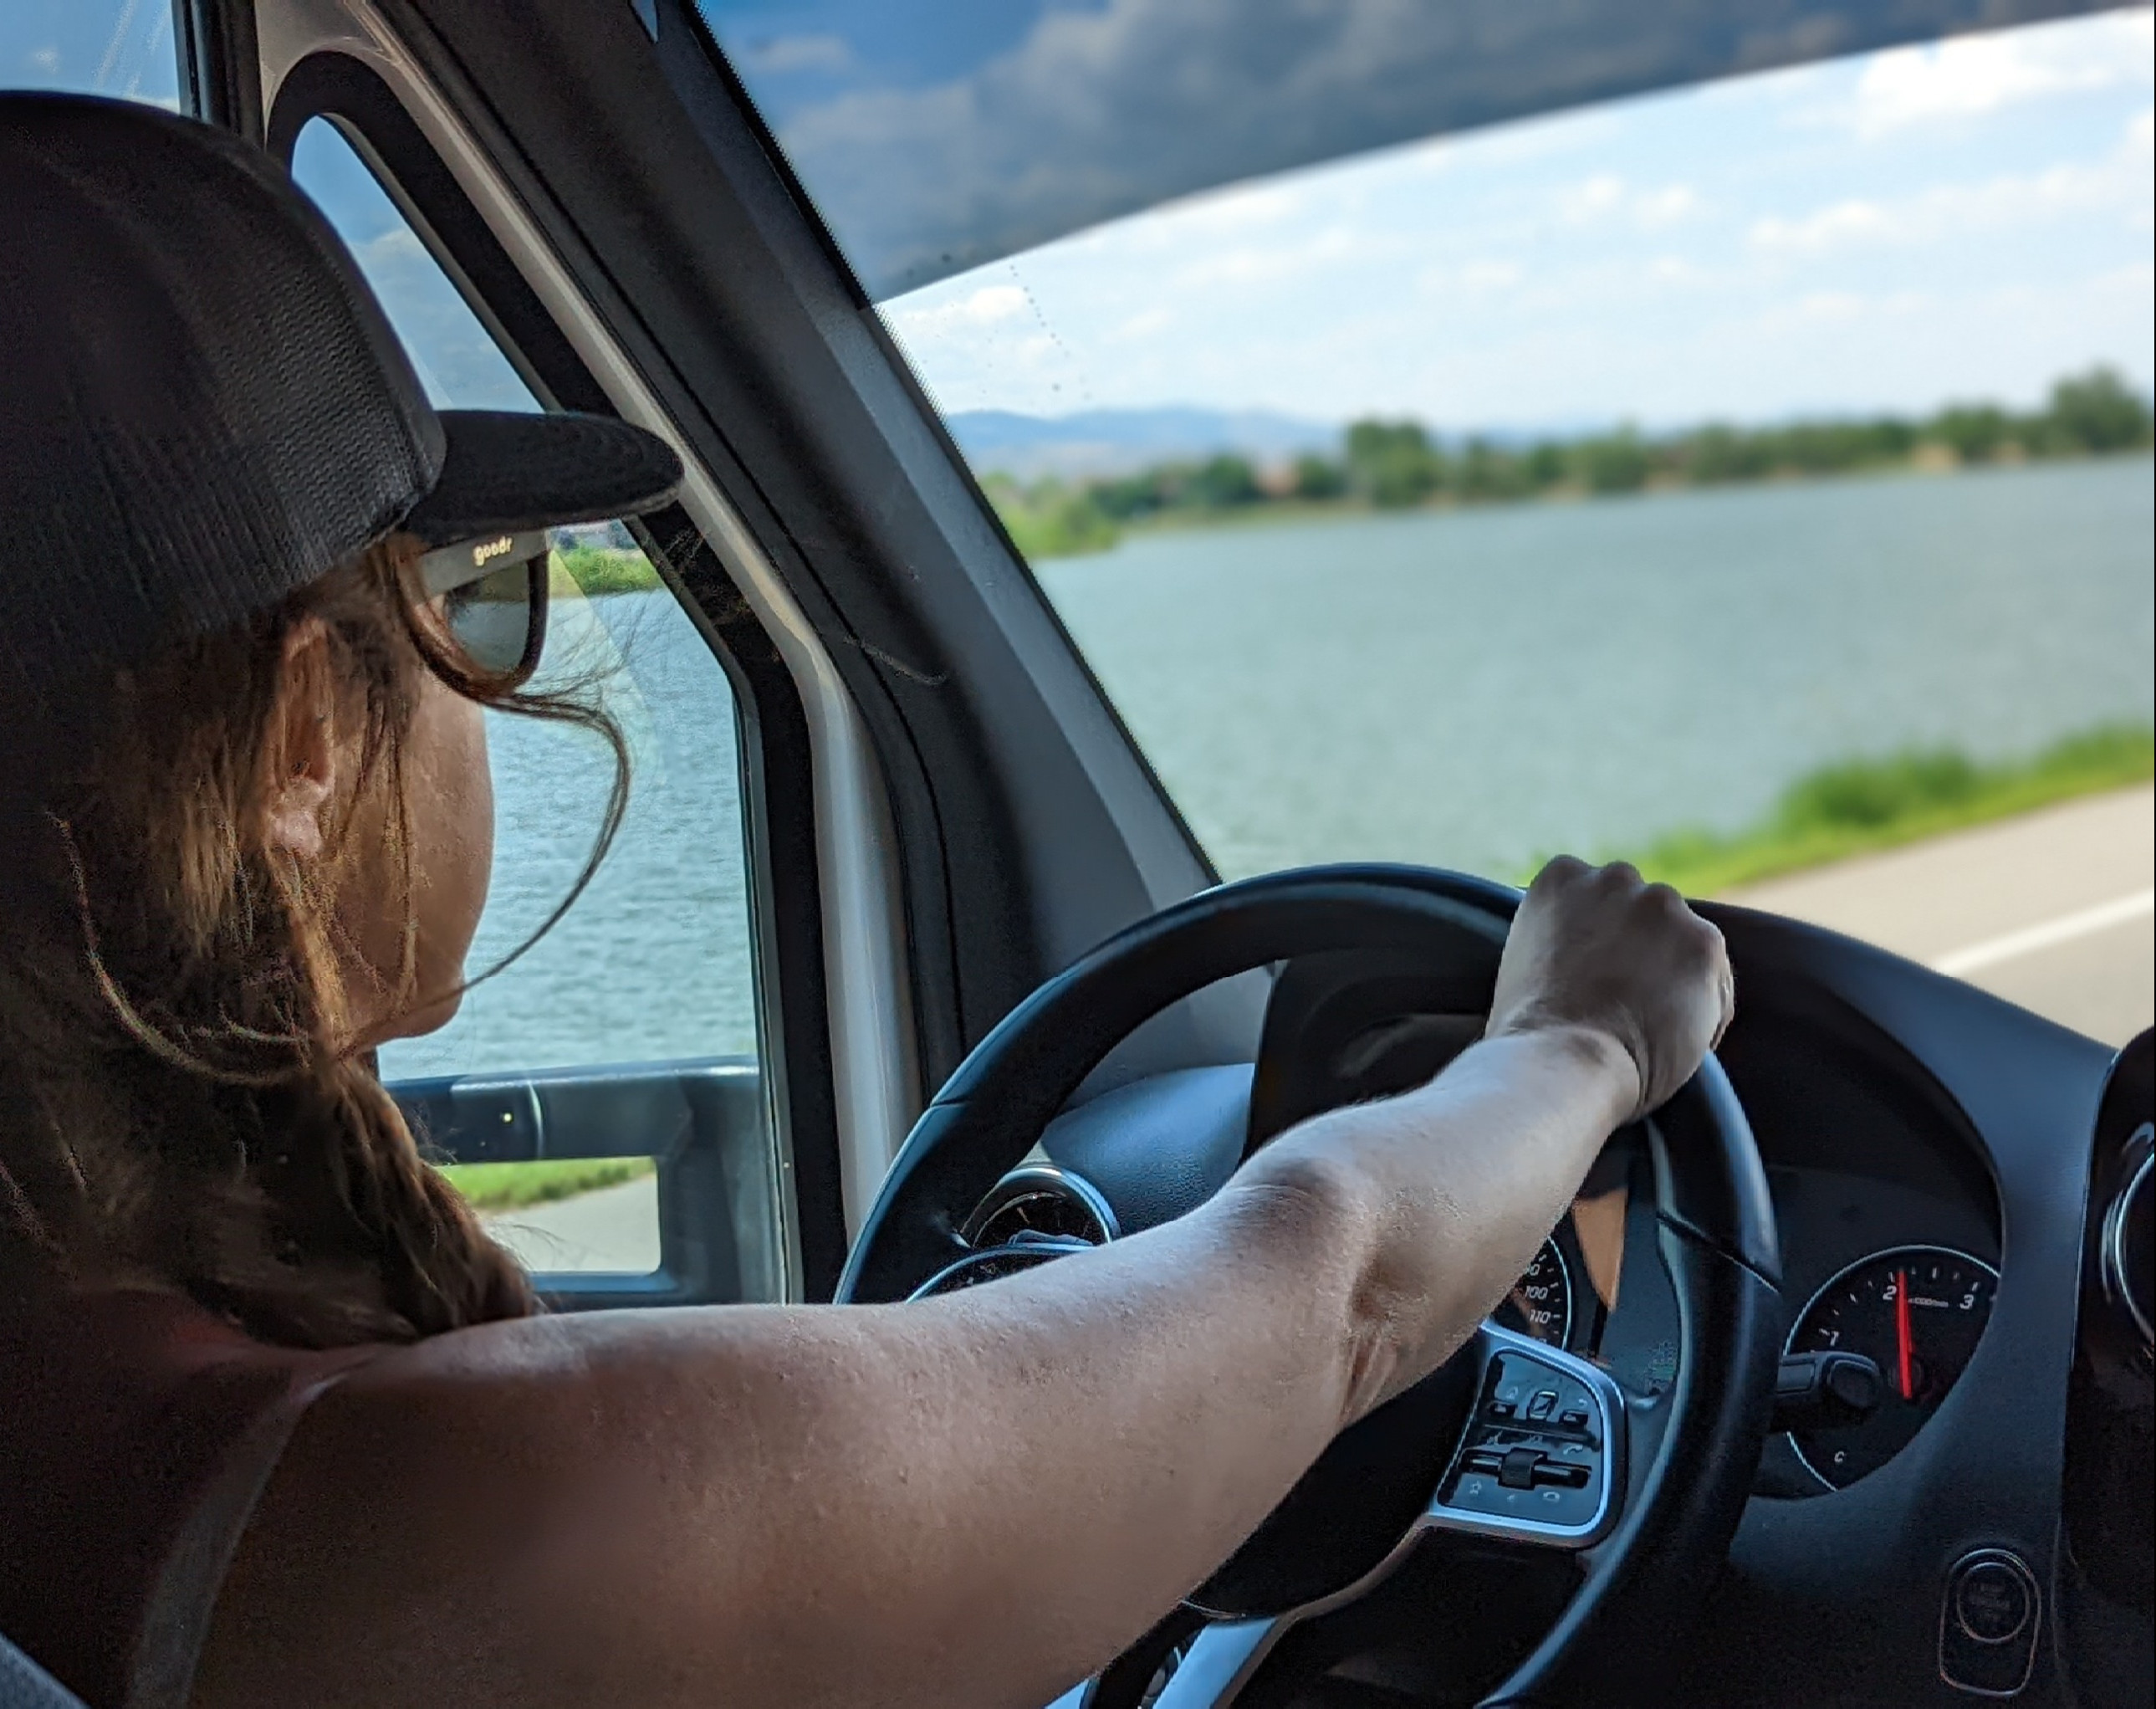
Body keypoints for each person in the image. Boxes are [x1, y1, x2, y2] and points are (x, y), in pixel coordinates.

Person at [0, 94, 1734, 1709]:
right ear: (302, 736)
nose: (485, 681)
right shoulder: (458, 1512)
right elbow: (1334, 1289)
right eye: (474, 603)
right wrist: (1576, 1037)